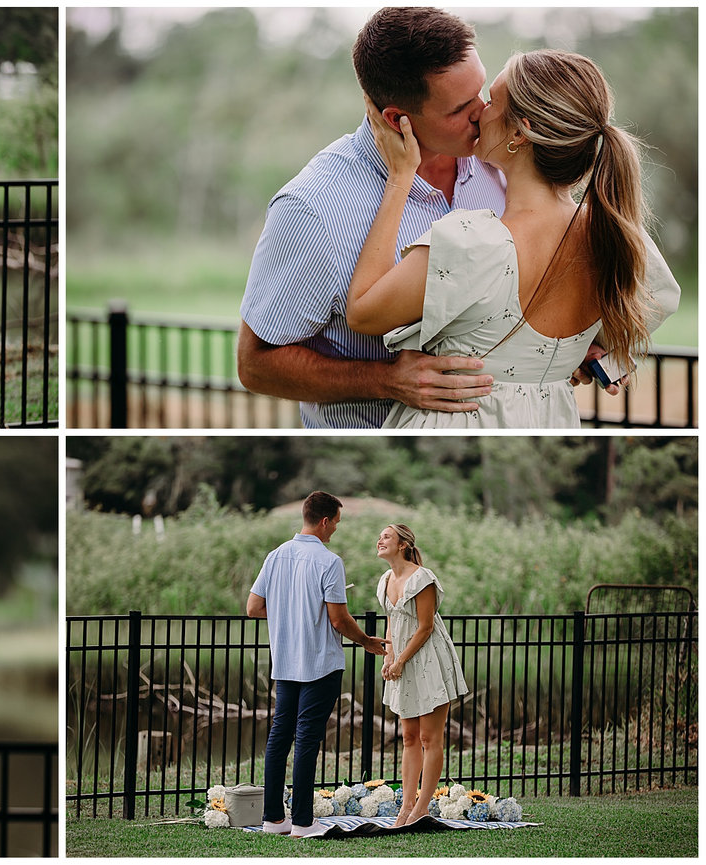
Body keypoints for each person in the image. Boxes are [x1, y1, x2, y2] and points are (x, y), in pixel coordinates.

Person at [345, 49, 681, 428]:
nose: (479, 110)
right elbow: (661, 297)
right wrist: (587, 355)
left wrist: (400, 176)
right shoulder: (614, 236)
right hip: (553, 419)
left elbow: (361, 312)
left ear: (519, 133)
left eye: (492, 100)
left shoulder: (473, 243)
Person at [238, 8, 502, 428]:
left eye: (481, 91)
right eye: (459, 108)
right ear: (398, 119)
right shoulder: (312, 208)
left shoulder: (505, 164)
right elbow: (255, 366)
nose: (483, 112)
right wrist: (385, 380)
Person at [245, 492, 388, 838]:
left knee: (279, 738)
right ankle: (304, 822)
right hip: (320, 665)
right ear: (325, 521)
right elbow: (338, 619)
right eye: (336, 522)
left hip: (285, 663)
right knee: (307, 740)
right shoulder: (329, 562)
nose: (336, 529)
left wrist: (288, 613)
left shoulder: (275, 556)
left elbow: (253, 607)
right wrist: (367, 641)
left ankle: (273, 819)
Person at [373, 524, 467, 826]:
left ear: (403, 545)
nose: (380, 540)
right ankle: (406, 806)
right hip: (402, 660)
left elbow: (425, 627)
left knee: (429, 737)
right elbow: (392, 623)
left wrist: (400, 659)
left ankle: (422, 808)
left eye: (386, 536)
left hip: (428, 660)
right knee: (409, 737)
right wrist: (389, 658)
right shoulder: (386, 579)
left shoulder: (422, 578)